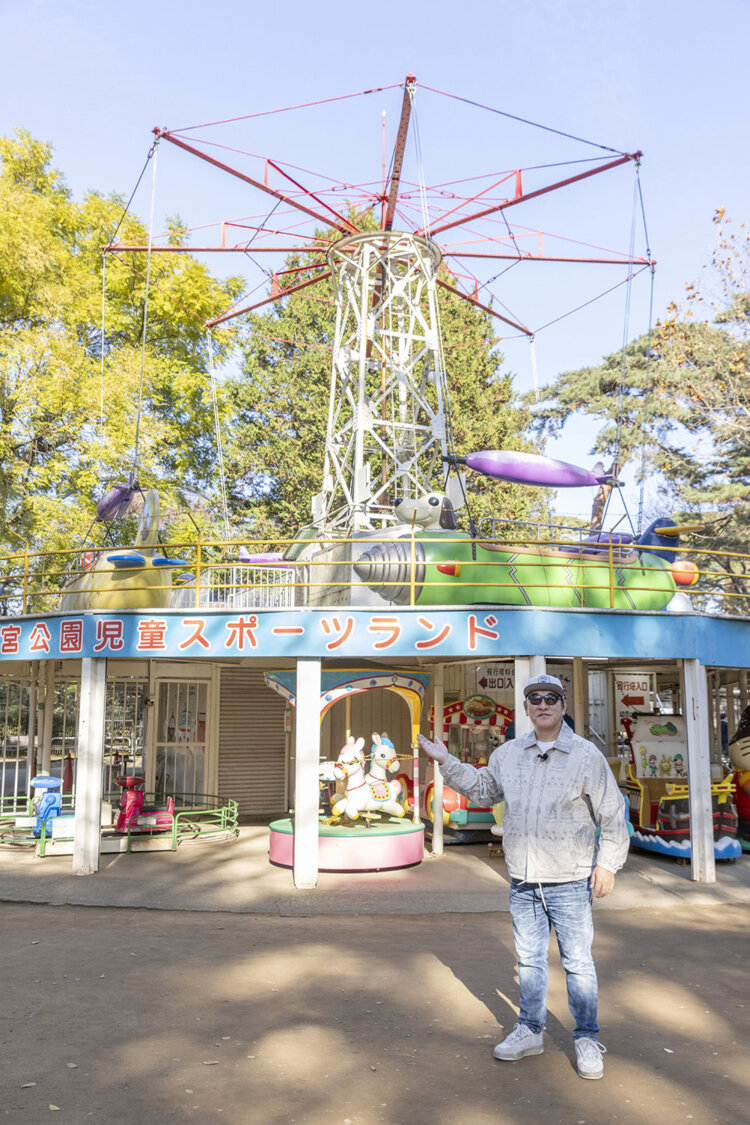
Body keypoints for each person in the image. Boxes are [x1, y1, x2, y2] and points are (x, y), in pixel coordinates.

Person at [418, 673, 629, 1081]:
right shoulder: (508, 754)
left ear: (562, 706)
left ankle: (586, 1037)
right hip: (523, 881)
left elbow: (612, 812)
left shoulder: (586, 755)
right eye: (535, 698)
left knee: (578, 963)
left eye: (551, 698)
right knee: (530, 961)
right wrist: (447, 761)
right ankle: (530, 1030)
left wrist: (607, 864)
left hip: (570, 879)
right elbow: (484, 791)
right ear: (527, 708)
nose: (543, 704)